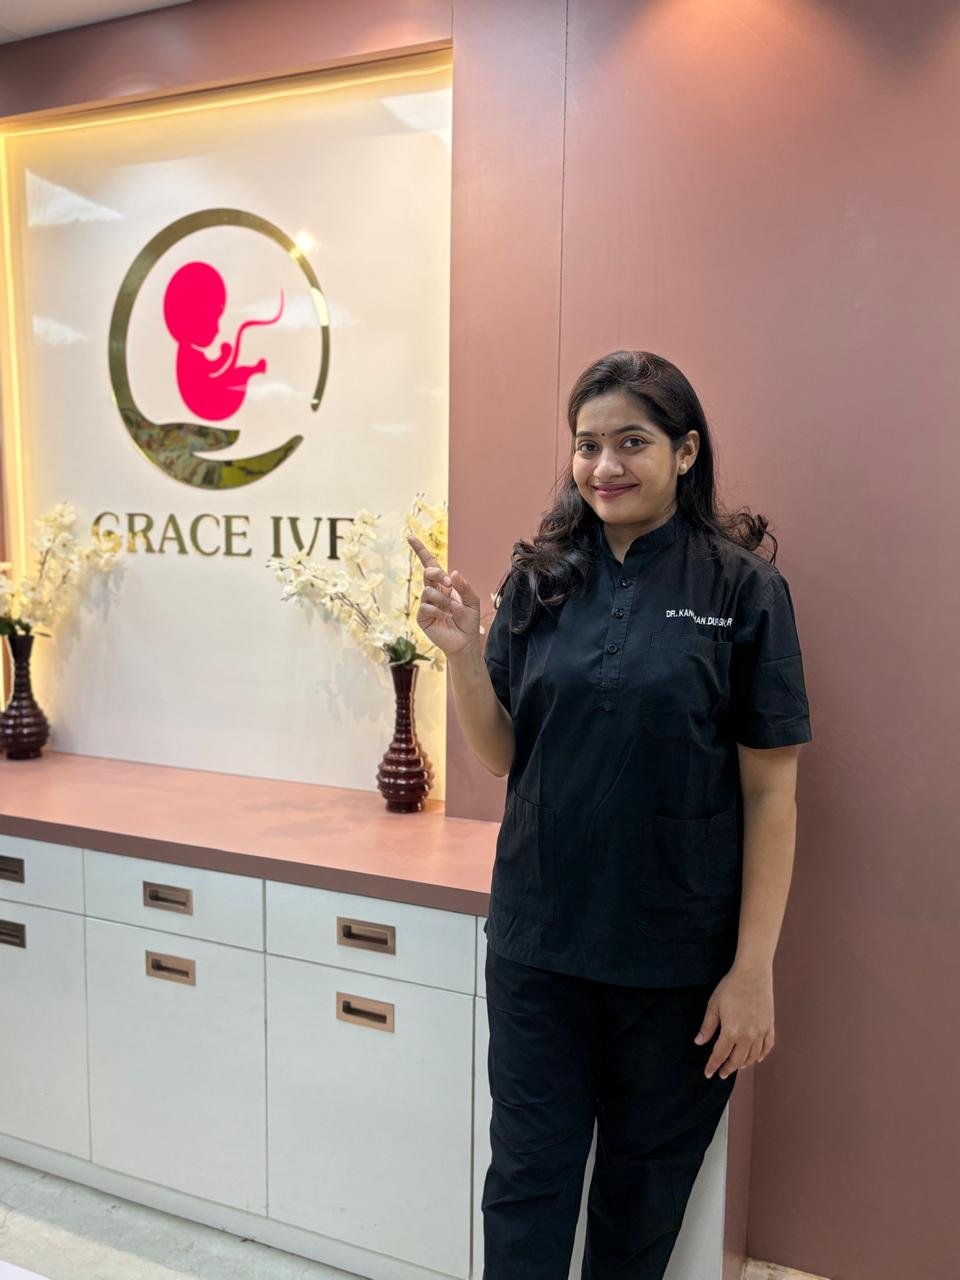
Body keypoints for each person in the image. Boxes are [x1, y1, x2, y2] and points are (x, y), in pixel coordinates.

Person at [408, 349, 813, 1280]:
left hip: (676, 966)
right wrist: (464, 655)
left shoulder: (742, 591)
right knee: (525, 1187)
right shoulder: (543, 577)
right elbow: (507, 753)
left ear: (685, 450)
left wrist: (753, 971)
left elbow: (771, 792)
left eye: (631, 441)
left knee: (641, 1203)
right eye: (587, 445)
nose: (603, 466)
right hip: (539, 947)